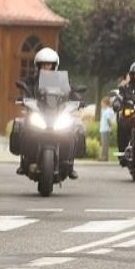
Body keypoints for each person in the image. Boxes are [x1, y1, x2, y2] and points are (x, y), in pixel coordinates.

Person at [15, 47, 83, 179]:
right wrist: (23, 98)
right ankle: (24, 161)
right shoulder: (32, 80)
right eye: (43, 64)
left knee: (74, 130)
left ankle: (70, 164)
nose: (46, 67)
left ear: (54, 65)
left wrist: (78, 99)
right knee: (24, 128)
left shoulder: (62, 81)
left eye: (49, 64)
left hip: (56, 114)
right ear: (38, 65)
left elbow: (71, 90)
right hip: (39, 112)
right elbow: (25, 88)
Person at [99, 95, 115, 161]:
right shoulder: (105, 110)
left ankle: (104, 157)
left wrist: (110, 126)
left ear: (105, 103)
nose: (101, 104)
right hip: (103, 129)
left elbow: (109, 120)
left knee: (105, 144)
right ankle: (104, 156)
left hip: (105, 130)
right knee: (104, 144)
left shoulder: (107, 111)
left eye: (102, 103)